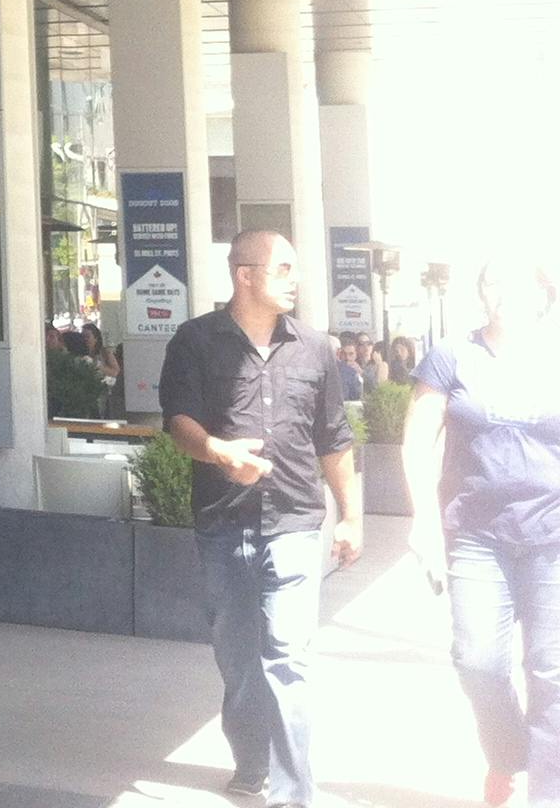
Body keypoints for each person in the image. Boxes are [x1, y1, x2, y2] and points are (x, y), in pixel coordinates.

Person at [160, 230, 362, 808]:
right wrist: (220, 452)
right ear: (245, 275)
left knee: (288, 655)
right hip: (222, 520)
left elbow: (334, 437)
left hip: (296, 518)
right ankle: (251, 758)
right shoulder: (195, 340)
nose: (295, 279)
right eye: (284, 268)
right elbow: (178, 419)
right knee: (237, 649)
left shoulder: (317, 347)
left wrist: (350, 516)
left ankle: (293, 790)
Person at [405, 257, 560, 808]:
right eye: (492, 282)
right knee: (477, 662)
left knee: (552, 674)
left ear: (543, 293)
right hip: (475, 536)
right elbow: (417, 441)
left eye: (515, 282)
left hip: (553, 538)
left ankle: (546, 794)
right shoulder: (452, 355)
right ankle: (508, 751)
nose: (502, 293)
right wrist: (423, 522)